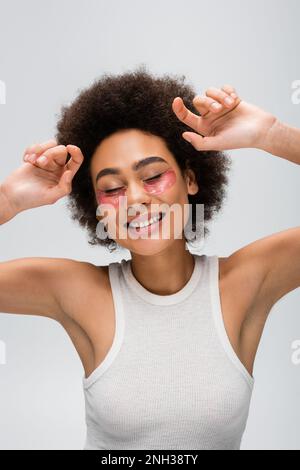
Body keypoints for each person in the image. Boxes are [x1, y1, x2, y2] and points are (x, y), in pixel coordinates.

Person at [0, 68, 299, 450]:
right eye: (112, 187)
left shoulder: (247, 281)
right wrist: (7, 201)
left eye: (153, 175)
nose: (137, 199)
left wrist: (272, 135)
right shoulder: (74, 290)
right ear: (98, 209)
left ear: (191, 180)